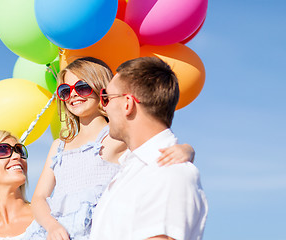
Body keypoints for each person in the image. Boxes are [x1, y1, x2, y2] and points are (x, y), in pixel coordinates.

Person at [24, 57, 196, 240]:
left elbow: (153, 145)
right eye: (65, 91)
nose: (73, 95)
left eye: (82, 87)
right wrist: (52, 226)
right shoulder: (59, 145)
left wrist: (187, 150)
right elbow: (39, 198)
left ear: (101, 89)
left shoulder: (114, 136)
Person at [90, 57, 208, 239]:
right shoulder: (133, 170)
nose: (103, 106)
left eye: (107, 97)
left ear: (127, 104)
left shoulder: (168, 174)